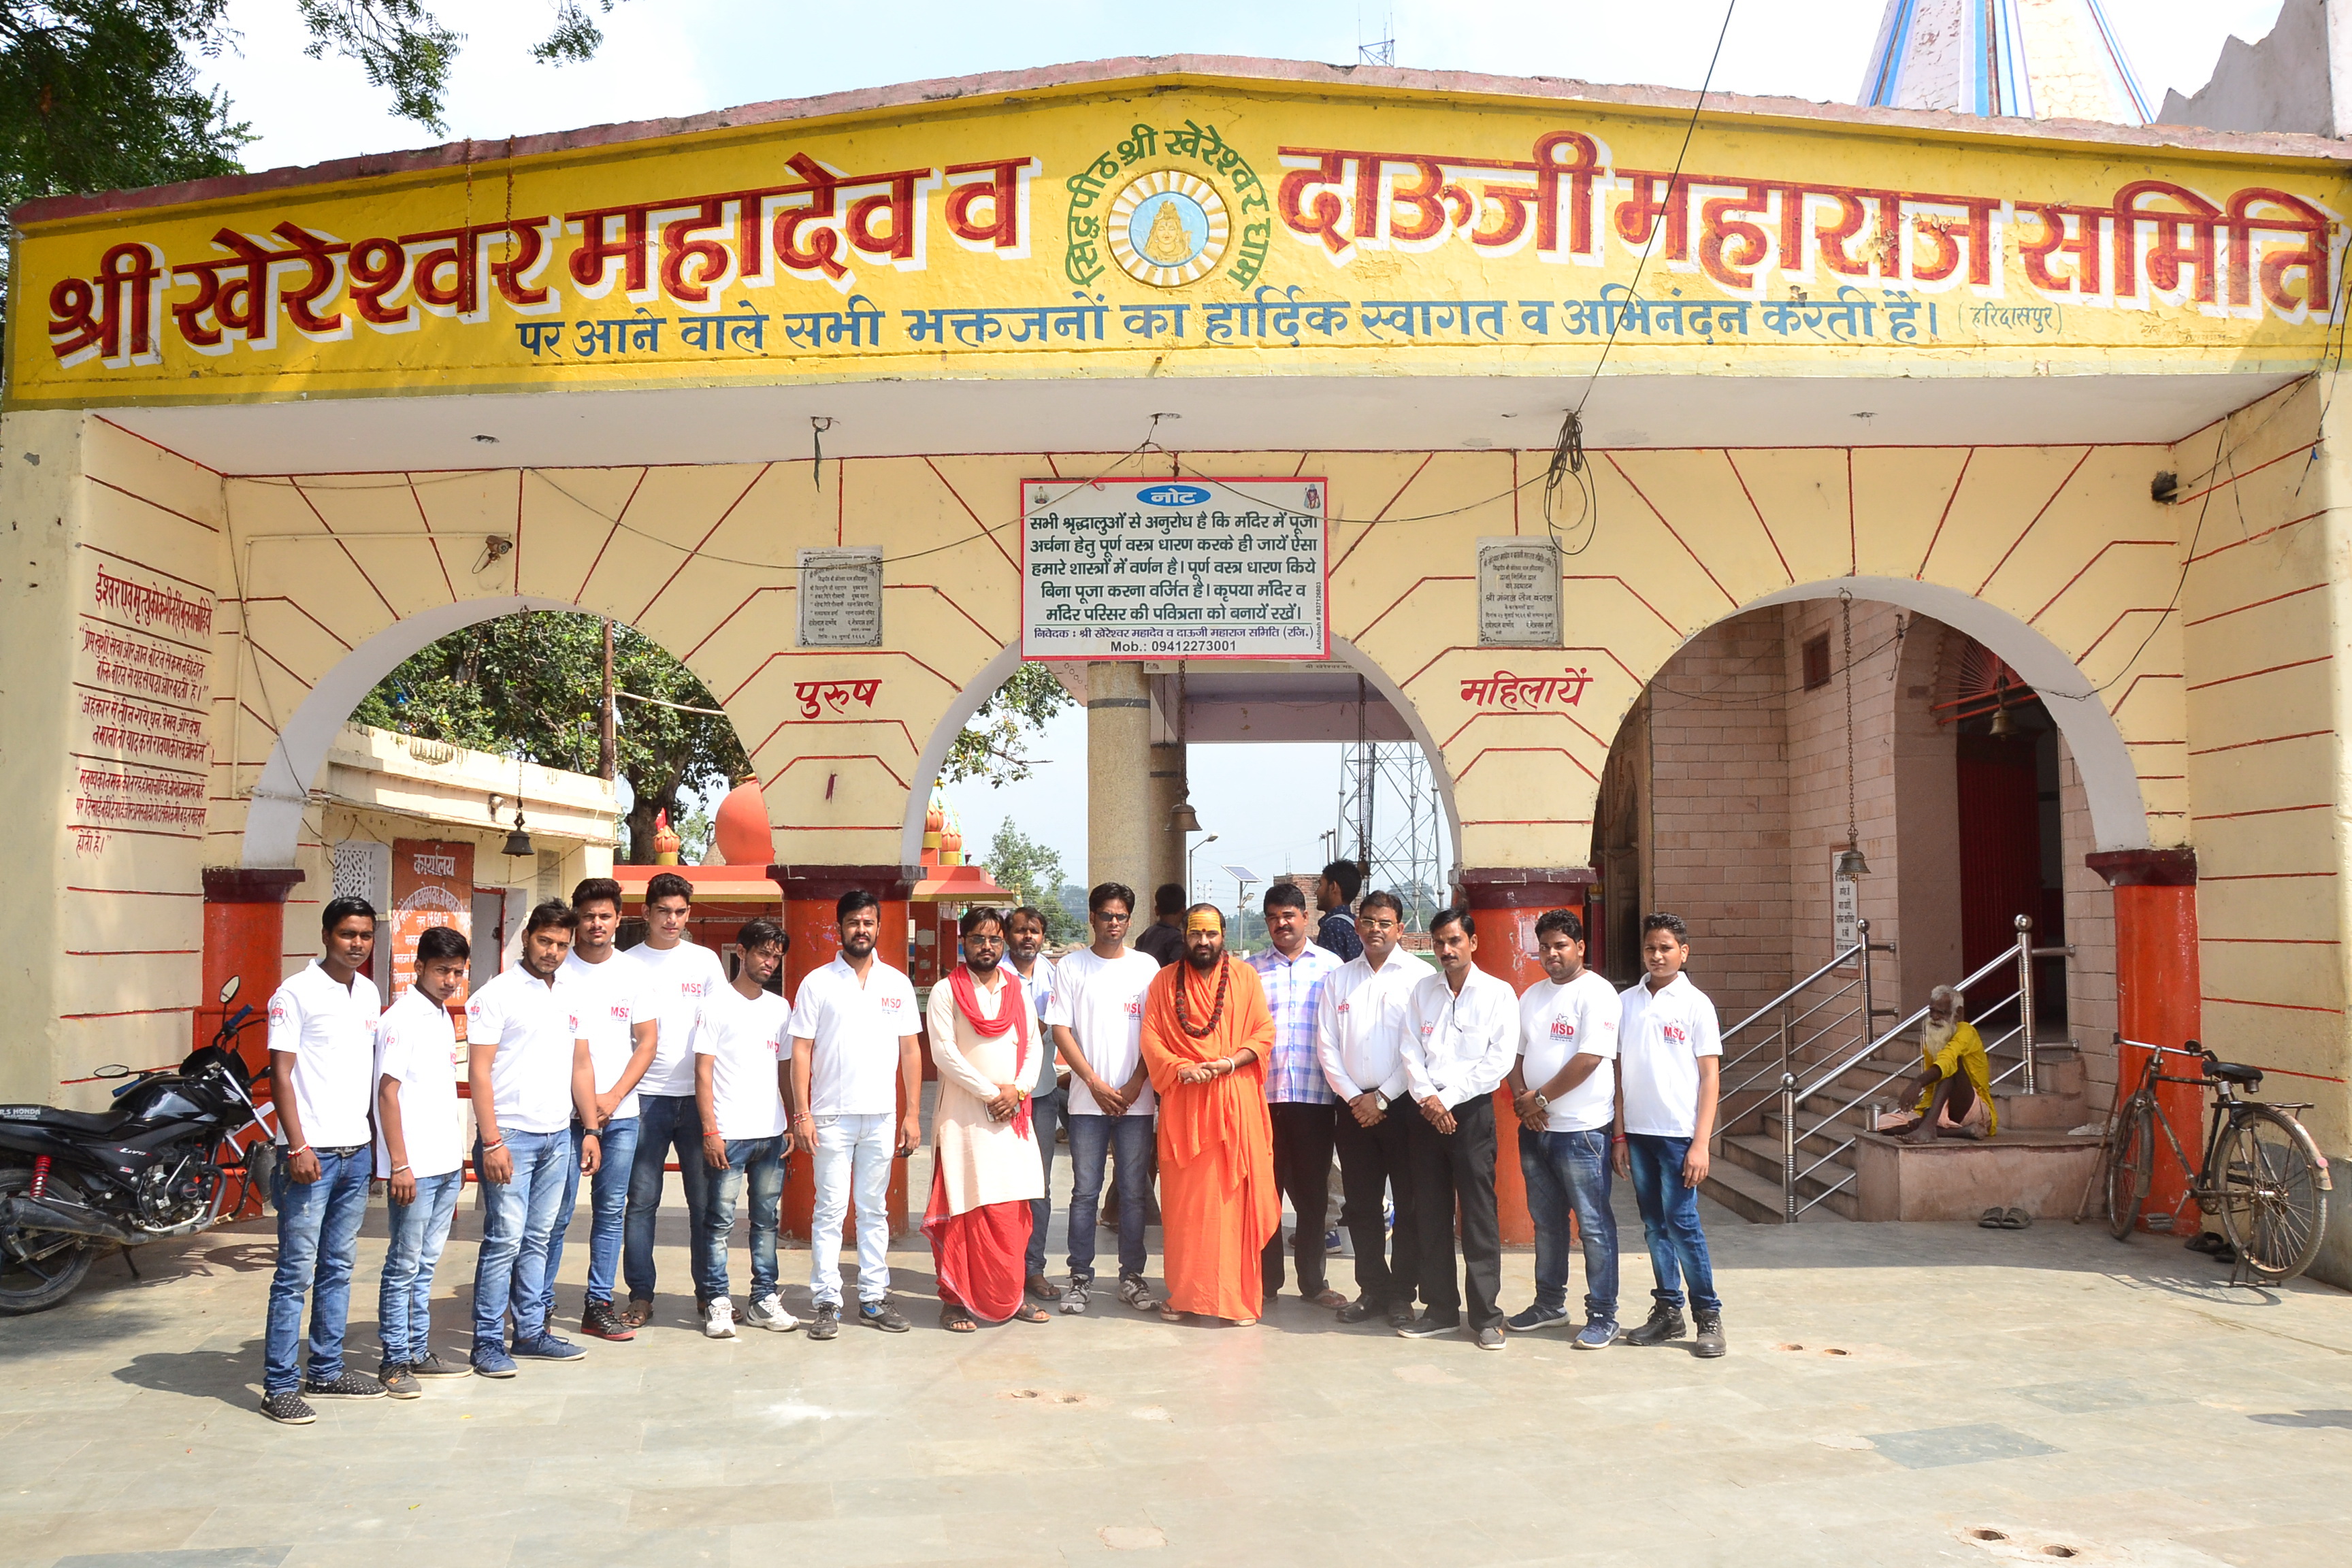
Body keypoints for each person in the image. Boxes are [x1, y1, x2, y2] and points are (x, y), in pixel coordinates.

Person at [259, 896, 386, 1423]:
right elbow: (280, 1073)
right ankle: (278, 1386)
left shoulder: (369, 992)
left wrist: (374, 1144)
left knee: (338, 1266)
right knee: (295, 1272)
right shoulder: (295, 993)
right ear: (326, 935)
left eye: (365, 935)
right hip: (310, 1155)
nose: (357, 944)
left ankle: (327, 1370)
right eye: (347, 934)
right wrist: (297, 1145)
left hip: (355, 1150)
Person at [466, 900, 598, 1377]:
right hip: (510, 1135)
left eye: (562, 944)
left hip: (558, 1134)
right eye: (545, 941)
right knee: (504, 1240)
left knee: (539, 1237)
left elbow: (581, 1064)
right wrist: (491, 1140)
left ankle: (530, 1333)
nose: (553, 952)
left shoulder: (572, 993)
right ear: (526, 937)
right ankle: (486, 1342)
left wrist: (591, 1129)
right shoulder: (496, 994)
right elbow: (479, 1071)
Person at [787, 889, 922, 1339]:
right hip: (830, 1116)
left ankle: (873, 1297)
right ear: (839, 929)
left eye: (868, 922)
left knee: (873, 1210)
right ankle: (826, 1301)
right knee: (829, 1210)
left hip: (881, 1116)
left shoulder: (897, 983)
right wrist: (802, 1113)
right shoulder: (818, 983)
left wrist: (912, 1115)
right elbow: (801, 1050)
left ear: (878, 927)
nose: (860, 930)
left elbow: (910, 1050)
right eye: (853, 923)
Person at [1139, 904, 1279, 1326]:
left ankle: (1236, 1300)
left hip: (1235, 1103)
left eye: (1211, 934)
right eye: (1196, 934)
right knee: (1186, 1210)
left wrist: (1230, 1063)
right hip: (1185, 1106)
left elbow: (1263, 1033)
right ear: (1184, 935)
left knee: (1233, 1206)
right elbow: (1151, 1037)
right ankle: (1186, 1295)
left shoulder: (1245, 978)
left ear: (1223, 935)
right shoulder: (1164, 981)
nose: (1204, 942)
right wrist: (1181, 1067)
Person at [924, 906, 1052, 1330]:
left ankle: (1010, 1297)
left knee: (1010, 1212)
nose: (987, 946)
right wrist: (991, 1092)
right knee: (964, 1209)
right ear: (963, 942)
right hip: (963, 1120)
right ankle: (955, 1301)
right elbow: (944, 1053)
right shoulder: (946, 991)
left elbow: (1033, 1047)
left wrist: (1018, 1090)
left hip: (1012, 1117)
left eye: (995, 939)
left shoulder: (1017, 990)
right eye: (978, 938)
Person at [1397, 906, 1517, 1350]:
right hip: (1426, 1113)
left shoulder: (1498, 993)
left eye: (1454, 941)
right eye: (1439, 943)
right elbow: (1410, 1049)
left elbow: (1499, 1060)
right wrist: (1430, 1099)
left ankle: (1487, 1317)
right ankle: (1440, 1309)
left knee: (1479, 1215)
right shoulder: (1422, 991)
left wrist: (1447, 1100)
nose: (1446, 950)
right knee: (1430, 1213)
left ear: (1473, 942)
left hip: (1470, 1115)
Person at [1505, 910, 1622, 1348]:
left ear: (1580, 947)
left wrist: (1538, 1100)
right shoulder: (1531, 996)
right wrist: (1525, 1102)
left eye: (1561, 945)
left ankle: (1604, 1315)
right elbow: (1515, 1056)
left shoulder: (1598, 993)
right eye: (1545, 946)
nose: (1552, 954)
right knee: (1547, 1222)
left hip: (1582, 1132)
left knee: (1593, 1225)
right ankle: (1550, 1304)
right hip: (1536, 1130)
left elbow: (1590, 1059)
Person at [1047, 882, 1164, 1315]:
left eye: (1121, 916)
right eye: (1106, 916)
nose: (1113, 923)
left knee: (1134, 1194)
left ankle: (1131, 1277)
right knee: (1085, 1192)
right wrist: (1093, 1083)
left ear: (1129, 921)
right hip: (1086, 1103)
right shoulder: (1072, 966)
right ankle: (1080, 1277)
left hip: (1137, 1102)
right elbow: (1061, 1029)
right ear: (1092, 918)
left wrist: (1137, 1083)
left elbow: (1157, 1032)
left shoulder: (1146, 967)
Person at [550, 877, 658, 1343]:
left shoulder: (634, 973)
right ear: (577, 918)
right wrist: (584, 1105)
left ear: (619, 919)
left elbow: (648, 1042)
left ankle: (598, 1305)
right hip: (562, 1116)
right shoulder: (556, 967)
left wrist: (613, 1097)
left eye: (605, 916)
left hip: (621, 1115)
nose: (597, 924)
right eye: (589, 916)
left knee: (611, 1211)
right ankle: (536, 1305)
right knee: (555, 1214)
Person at [621, 872, 730, 1329]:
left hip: (698, 1100)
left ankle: (709, 1295)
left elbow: (724, 1027)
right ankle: (640, 1295)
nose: (672, 920)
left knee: (704, 1205)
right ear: (645, 912)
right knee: (641, 1201)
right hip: (644, 1100)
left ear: (689, 914)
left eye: (680, 912)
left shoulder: (705, 963)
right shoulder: (626, 964)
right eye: (663, 911)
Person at [1614, 912, 1725, 1359]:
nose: (1657, 956)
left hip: (1680, 1136)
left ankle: (1708, 1314)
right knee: (1654, 1227)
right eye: (1650, 948)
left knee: (1682, 1224)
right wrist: (1619, 1134)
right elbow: (1618, 1072)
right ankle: (1668, 1310)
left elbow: (1710, 1077)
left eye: (1666, 948)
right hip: (1638, 1133)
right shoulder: (1626, 1003)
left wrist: (1701, 1143)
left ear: (1684, 952)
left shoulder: (1697, 1005)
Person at [1316, 891, 1426, 1327]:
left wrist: (1382, 1097)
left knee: (1409, 1203)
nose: (1375, 930)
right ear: (1357, 925)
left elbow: (1419, 1048)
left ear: (1400, 928)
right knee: (1361, 1205)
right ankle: (1372, 1290)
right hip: (1353, 1109)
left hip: (1403, 1106)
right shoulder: (1340, 979)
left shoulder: (1420, 977)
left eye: (1384, 923)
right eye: (1368, 921)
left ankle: (1401, 1294)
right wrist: (1353, 1097)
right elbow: (1327, 1045)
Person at [374, 923, 474, 1397]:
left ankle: (417, 1350)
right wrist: (399, 1164)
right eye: (441, 970)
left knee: (426, 1264)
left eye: (457, 972)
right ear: (418, 968)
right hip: (413, 1168)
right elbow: (387, 1093)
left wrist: (457, 1160)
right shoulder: (401, 1019)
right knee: (403, 1265)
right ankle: (393, 1362)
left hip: (444, 1164)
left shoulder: (441, 1016)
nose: (450, 980)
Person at [693, 919, 798, 1339]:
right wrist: (710, 1131)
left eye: (776, 957)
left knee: (766, 1221)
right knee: (719, 1222)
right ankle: (717, 1301)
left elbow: (785, 1069)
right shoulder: (715, 1005)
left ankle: (763, 1299)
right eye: (763, 954)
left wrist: (791, 1121)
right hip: (729, 1133)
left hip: (771, 1134)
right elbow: (703, 1072)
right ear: (741, 952)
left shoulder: (780, 1008)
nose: (769, 963)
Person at [1247, 882, 1347, 1310]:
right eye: (1273, 917)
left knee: (1312, 1198)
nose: (1281, 924)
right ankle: (1265, 1283)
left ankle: (1313, 1282)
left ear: (1306, 917)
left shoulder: (1332, 968)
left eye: (1289, 916)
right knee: (1264, 1196)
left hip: (1314, 1098)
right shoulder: (1249, 972)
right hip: (1263, 1100)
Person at [1004, 905, 1066, 1302]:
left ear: (1043, 936)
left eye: (1035, 931)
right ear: (1007, 935)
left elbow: (1062, 1027)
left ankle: (1033, 1268)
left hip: (1041, 1094)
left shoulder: (1054, 975)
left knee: (1037, 1186)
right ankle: (1003, 1268)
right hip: (999, 1096)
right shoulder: (994, 973)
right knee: (1000, 1184)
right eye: (1020, 930)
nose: (1028, 937)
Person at [1892, 985, 1996, 1143]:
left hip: (1973, 1108)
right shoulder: (1933, 1039)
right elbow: (1930, 1090)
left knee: (1951, 1067)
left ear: (1957, 1013)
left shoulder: (1966, 1031)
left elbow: (1947, 1061)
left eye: (1941, 1012)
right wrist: (1925, 1112)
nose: (1934, 1017)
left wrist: (1918, 1082)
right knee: (1886, 1124)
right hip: (1943, 1110)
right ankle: (1958, 1131)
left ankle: (1928, 1127)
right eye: (1932, 1011)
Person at [1314, 860, 1365, 962]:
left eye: (1321, 885)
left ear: (1333, 887)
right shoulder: (1355, 924)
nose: (1316, 892)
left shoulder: (1331, 927)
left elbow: (1328, 969)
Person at [1134, 882, 1188, 967]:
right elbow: (1176, 970)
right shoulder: (1178, 939)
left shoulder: (1147, 934)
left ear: (1156, 910)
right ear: (1184, 909)